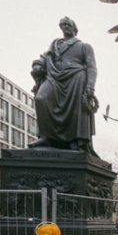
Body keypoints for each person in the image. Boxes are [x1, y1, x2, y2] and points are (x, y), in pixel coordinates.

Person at [29, 17, 99, 155]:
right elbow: (42, 59)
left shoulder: (84, 46)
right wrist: (37, 66)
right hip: (54, 77)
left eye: (68, 25)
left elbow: (92, 67)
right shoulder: (54, 45)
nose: (65, 27)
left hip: (76, 78)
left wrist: (90, 87)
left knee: (75, 110)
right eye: (62, 25)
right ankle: (46, 137)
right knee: (41, 98)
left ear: (74, 27)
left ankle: (74, 139)